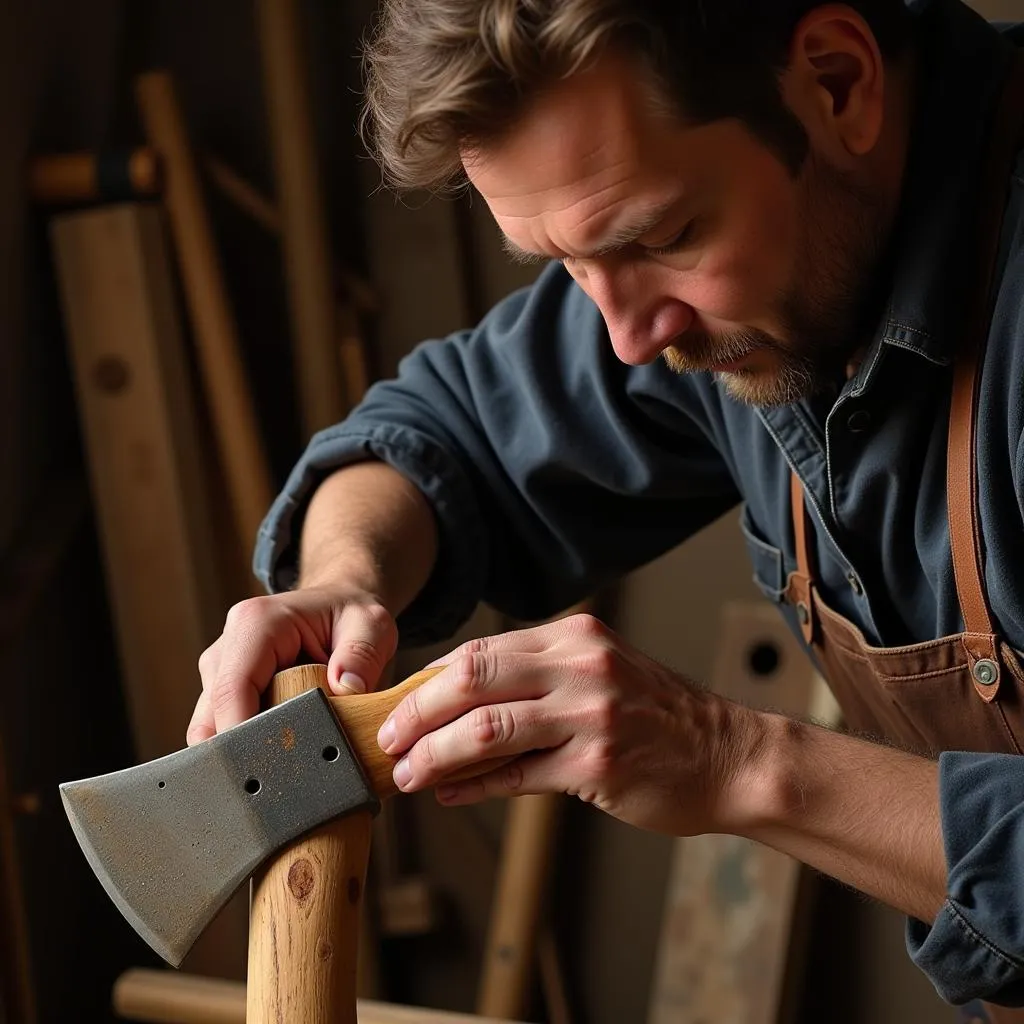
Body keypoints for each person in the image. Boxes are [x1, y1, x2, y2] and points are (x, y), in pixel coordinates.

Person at [189, 0, 1024, 1016]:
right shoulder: (701, 285)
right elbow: (437, 432)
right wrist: (344, 581)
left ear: (836, 81)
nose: (626, 338)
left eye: (663, 235)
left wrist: (733, 759)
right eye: (566, 267)